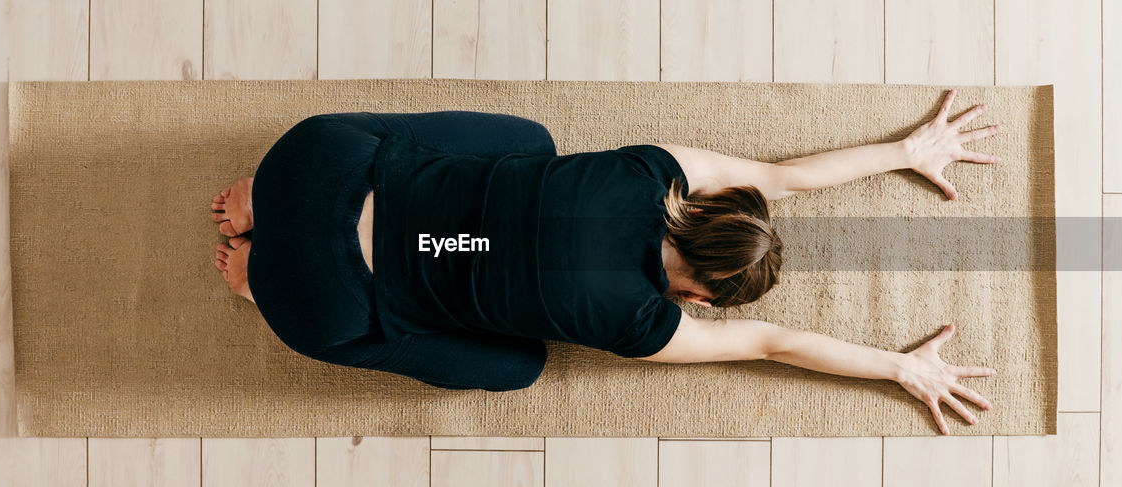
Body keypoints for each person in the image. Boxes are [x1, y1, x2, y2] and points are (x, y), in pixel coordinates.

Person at [210, 89, 1000, 435]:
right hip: (319, 302)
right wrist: (899, 369)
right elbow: (774, 343)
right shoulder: (646, 322)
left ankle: (269, 203)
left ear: (709, 207)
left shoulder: (654, 172)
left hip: (316, 160)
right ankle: (263, 278)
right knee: (521, 368)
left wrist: (906, 149)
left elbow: (785, 176)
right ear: (702, 296)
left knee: (528, 144)